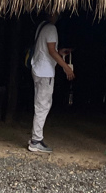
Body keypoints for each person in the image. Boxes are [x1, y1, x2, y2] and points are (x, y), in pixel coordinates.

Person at [28, 11, 74, 152]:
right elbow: (51, 51)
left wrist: (60, 52)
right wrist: (66, 67)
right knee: (43, 105)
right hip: (45, 71)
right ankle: (36, 140)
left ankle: (36, 138)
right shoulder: (52, 28)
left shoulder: (42, 26)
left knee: (40, 103)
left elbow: (48, 49)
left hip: (37, 68)